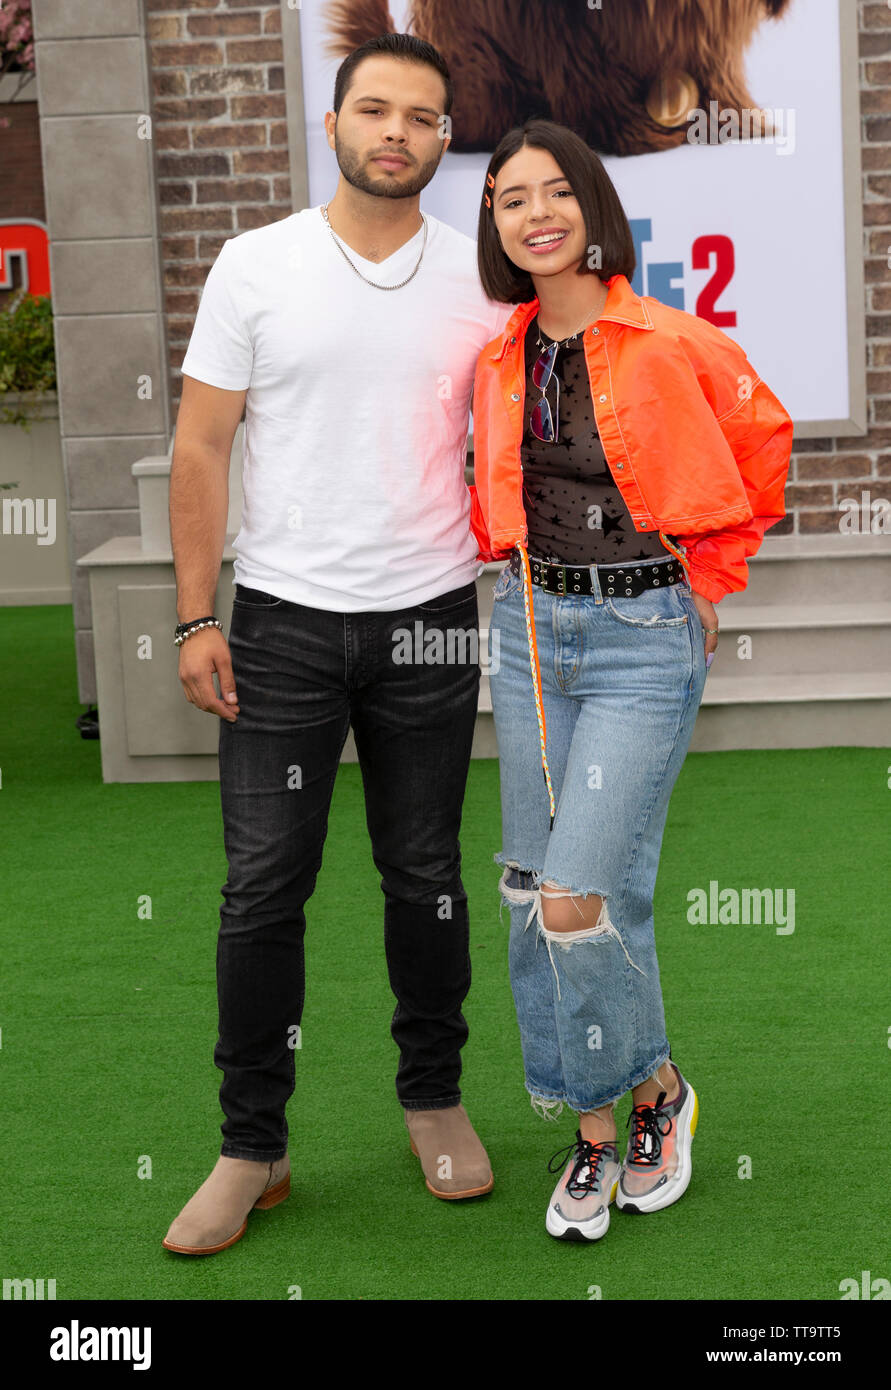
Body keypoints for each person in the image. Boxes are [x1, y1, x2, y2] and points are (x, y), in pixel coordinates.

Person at [162, 34, 513, 1256]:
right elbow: (201, 447)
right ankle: (249, 1145)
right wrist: (198, 613)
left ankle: (435, 1100)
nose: (397, 132)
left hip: (429, 621)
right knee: (263, 889)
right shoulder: (255, 265)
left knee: (425, 875)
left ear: (443, 136)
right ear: (334, 123)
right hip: (282, 623)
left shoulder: (483, 276)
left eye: (422, 115)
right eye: (376, 109)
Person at [470, 118, 792, 1241]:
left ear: (593, 207)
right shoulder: (499, 355)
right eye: (513, 198)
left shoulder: (668, 339)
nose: (538, 213)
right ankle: (622, 1116)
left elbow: (763, 438)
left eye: (557, 192)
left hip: (642, 637)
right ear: (497, 224)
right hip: (528, 631)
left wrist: (711, 574)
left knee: (579, 900)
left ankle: (632, 1112)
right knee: (533, 897)